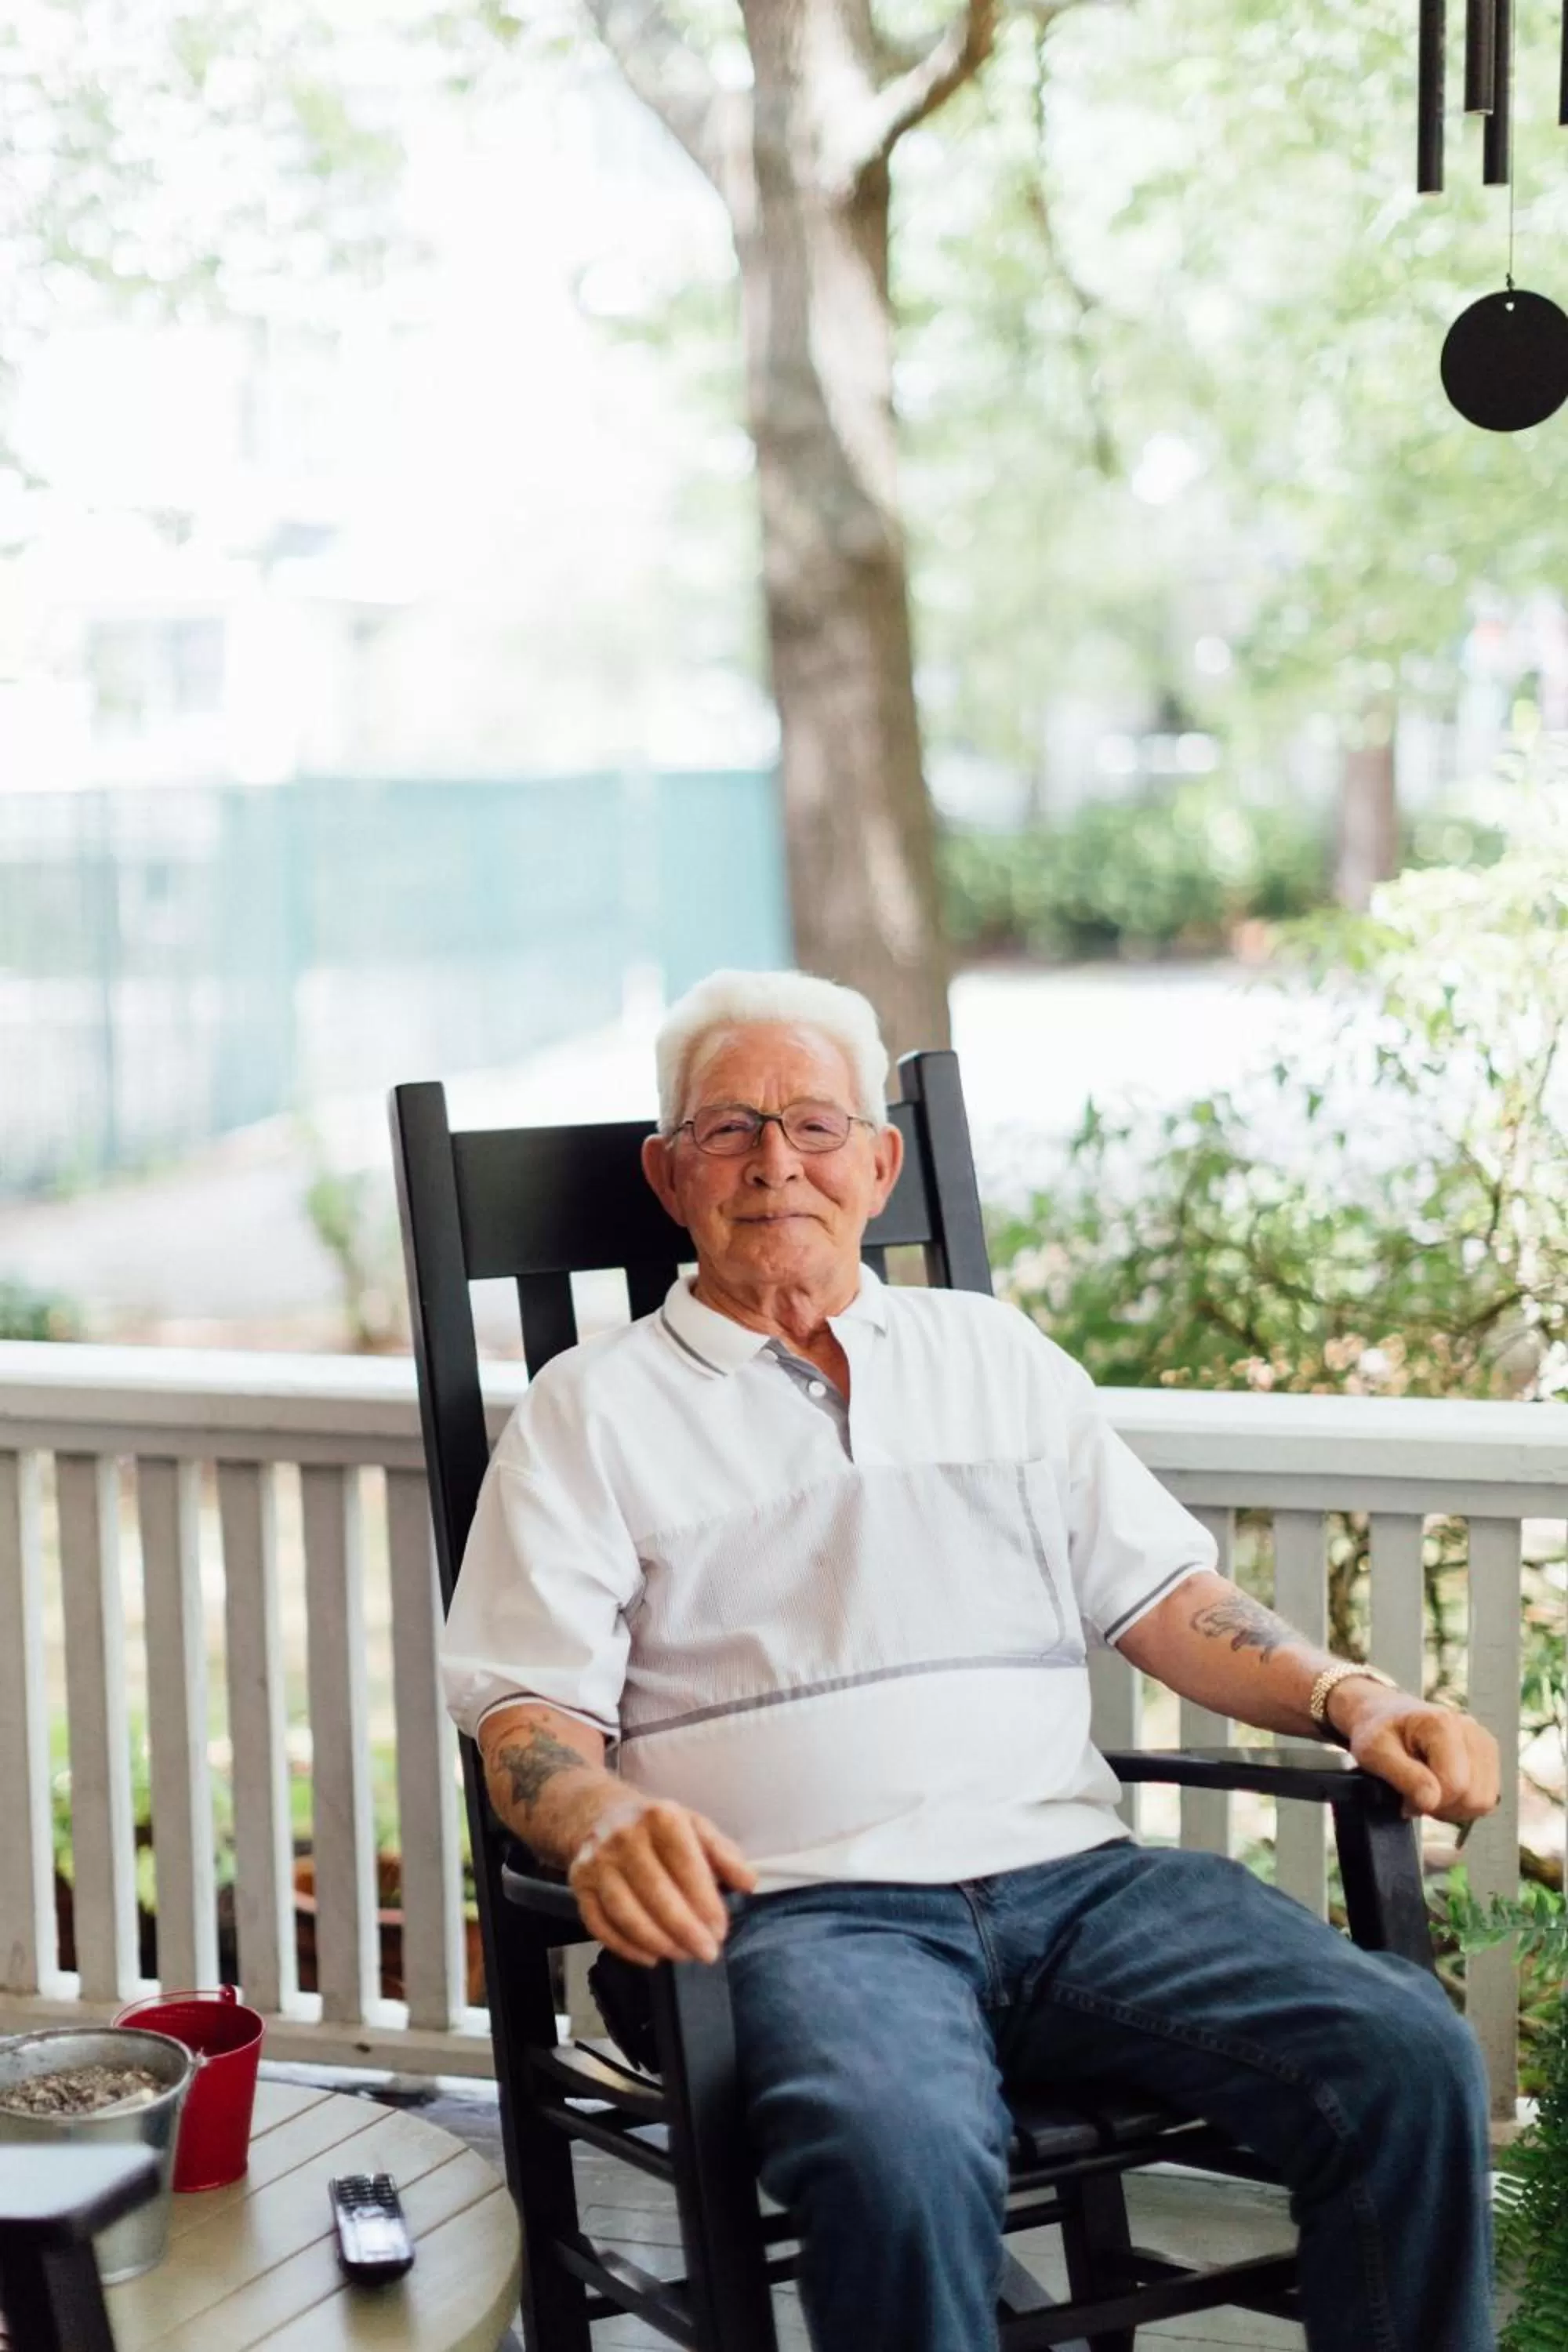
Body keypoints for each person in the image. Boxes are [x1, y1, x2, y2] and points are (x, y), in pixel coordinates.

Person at [441, 967, 1500, 2352]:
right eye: (729, 1128)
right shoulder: (590, 1412)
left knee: (1407, 2055)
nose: (776, 1162)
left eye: (816, 1125)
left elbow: (1167, 1596)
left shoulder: (992, 1355)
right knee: (896, 2145)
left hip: (1080, 1891)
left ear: (879, 1165)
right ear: (669, 1173)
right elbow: (525, 1714)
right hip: (795, 1917)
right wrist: (599, 1819)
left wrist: (1351, 1696)